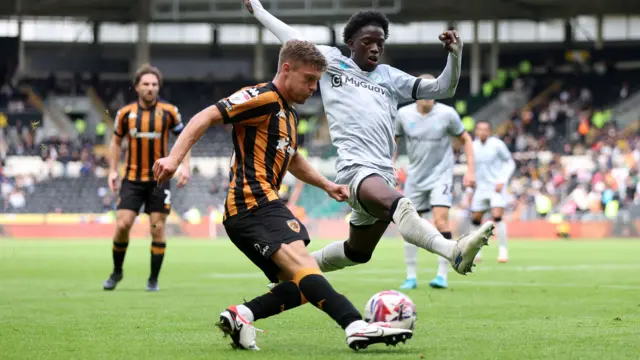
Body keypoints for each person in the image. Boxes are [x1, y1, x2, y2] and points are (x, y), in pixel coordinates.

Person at [153, 39, 412, 351]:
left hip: (256, 207)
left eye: (317, 81)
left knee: (303, 282)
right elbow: (206, 116)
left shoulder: (288, 114)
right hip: (253, 202)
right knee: (307, 272)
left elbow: (292, 157)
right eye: (309, 79)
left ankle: (241, 315)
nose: (314, 88)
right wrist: (174, 158)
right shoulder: (261, 97)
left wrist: (327, 185)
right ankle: (355, 325)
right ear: (286, 69)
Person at [244, 0, 494, 278]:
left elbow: (443, 88)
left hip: (382, 174)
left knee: (357, 252)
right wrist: (259, 10)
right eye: (368, 42)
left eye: (381, 43)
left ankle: (284, 272)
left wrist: (455, 55)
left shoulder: (390, 77)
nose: (375, 48)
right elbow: (291, 38)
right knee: (401, 204)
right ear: (351, 42)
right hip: (355, 170)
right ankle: (452, 251)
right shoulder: (332, 61)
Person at [103, 64, 191, 292]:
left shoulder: (169, 111)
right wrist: (113, 170)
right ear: (137, 87)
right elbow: (115, 142)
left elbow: (185, 138)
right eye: (146, 84)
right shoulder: (125, 114)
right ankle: (117, 272)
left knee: (156, 227)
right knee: (122, 224)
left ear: (158, 87)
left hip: (159, 180)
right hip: (131, 179)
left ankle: (153, 279)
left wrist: (185, 166)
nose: (151, 88)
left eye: (154, 84)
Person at [394, 75, 476, 290]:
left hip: (441, 176)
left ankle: (442, 275)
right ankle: (411, 276)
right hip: (415, 178)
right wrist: (390, 165)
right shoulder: (403, 114)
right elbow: (393, 140)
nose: (428, 95)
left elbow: (466, 139)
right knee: (410, 226)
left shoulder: (447, 114)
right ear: (417, 92)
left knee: (440, 222)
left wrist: (470, 170)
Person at [470, 121, 515, 263]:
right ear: (476, 131)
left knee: (497, 216)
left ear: (489, 131)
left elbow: (510, 162)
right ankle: (476, 251)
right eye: (480, 129)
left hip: (496, 187)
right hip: (480, 188)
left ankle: (503, 250)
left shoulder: (497, 144)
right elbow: (470, 166)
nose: (482, 132)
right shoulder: (472, 146)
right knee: (476, 219)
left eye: (485, 129)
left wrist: (503, 180)